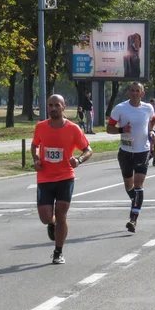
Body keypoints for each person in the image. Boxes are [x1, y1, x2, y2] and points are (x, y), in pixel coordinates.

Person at [31, 95, 92, 264]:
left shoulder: (73, 129)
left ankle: (58, 251)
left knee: (62, 213)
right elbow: (35, 145)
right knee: (45, 216)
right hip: (45, 177)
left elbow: (88, 149)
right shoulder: (41, 126)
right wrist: (36, 159)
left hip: (65, 176)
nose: (53, 108)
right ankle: (51, 223)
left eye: (56, 105)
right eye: (50, 105)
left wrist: (79, 160)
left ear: (64, 107)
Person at [106, 82, 155, 233]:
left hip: (143, 150)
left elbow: (153, 119)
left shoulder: (148, 108)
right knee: (129, 186)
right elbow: (109, 128)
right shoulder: (120, 108)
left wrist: (152, 131)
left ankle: (133, 218)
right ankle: (136, 201)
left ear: (142, 93)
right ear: (129, 93)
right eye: (132, 91)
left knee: (138, 184)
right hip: (125, 151)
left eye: (138, 91)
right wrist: (122, 129)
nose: (135, 93)